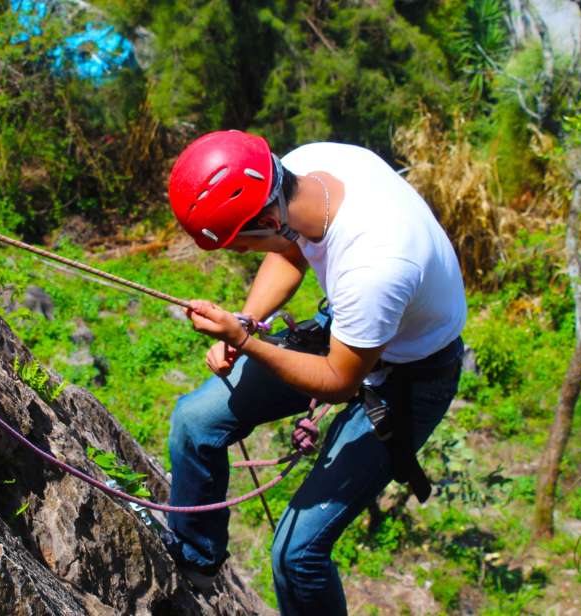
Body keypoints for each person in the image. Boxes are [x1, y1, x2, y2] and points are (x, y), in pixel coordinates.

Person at [162, 130, 466, 615]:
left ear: (268, 217)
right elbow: (289, 250)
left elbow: (339, 380)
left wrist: (245, 341)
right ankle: (196, 556)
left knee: (296, 554)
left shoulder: (376, 264)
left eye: (242, 244)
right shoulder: (304, 168)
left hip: (412, 374)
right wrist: (245, 320)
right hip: (352, 328)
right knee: (195, 421)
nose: (243, 254)